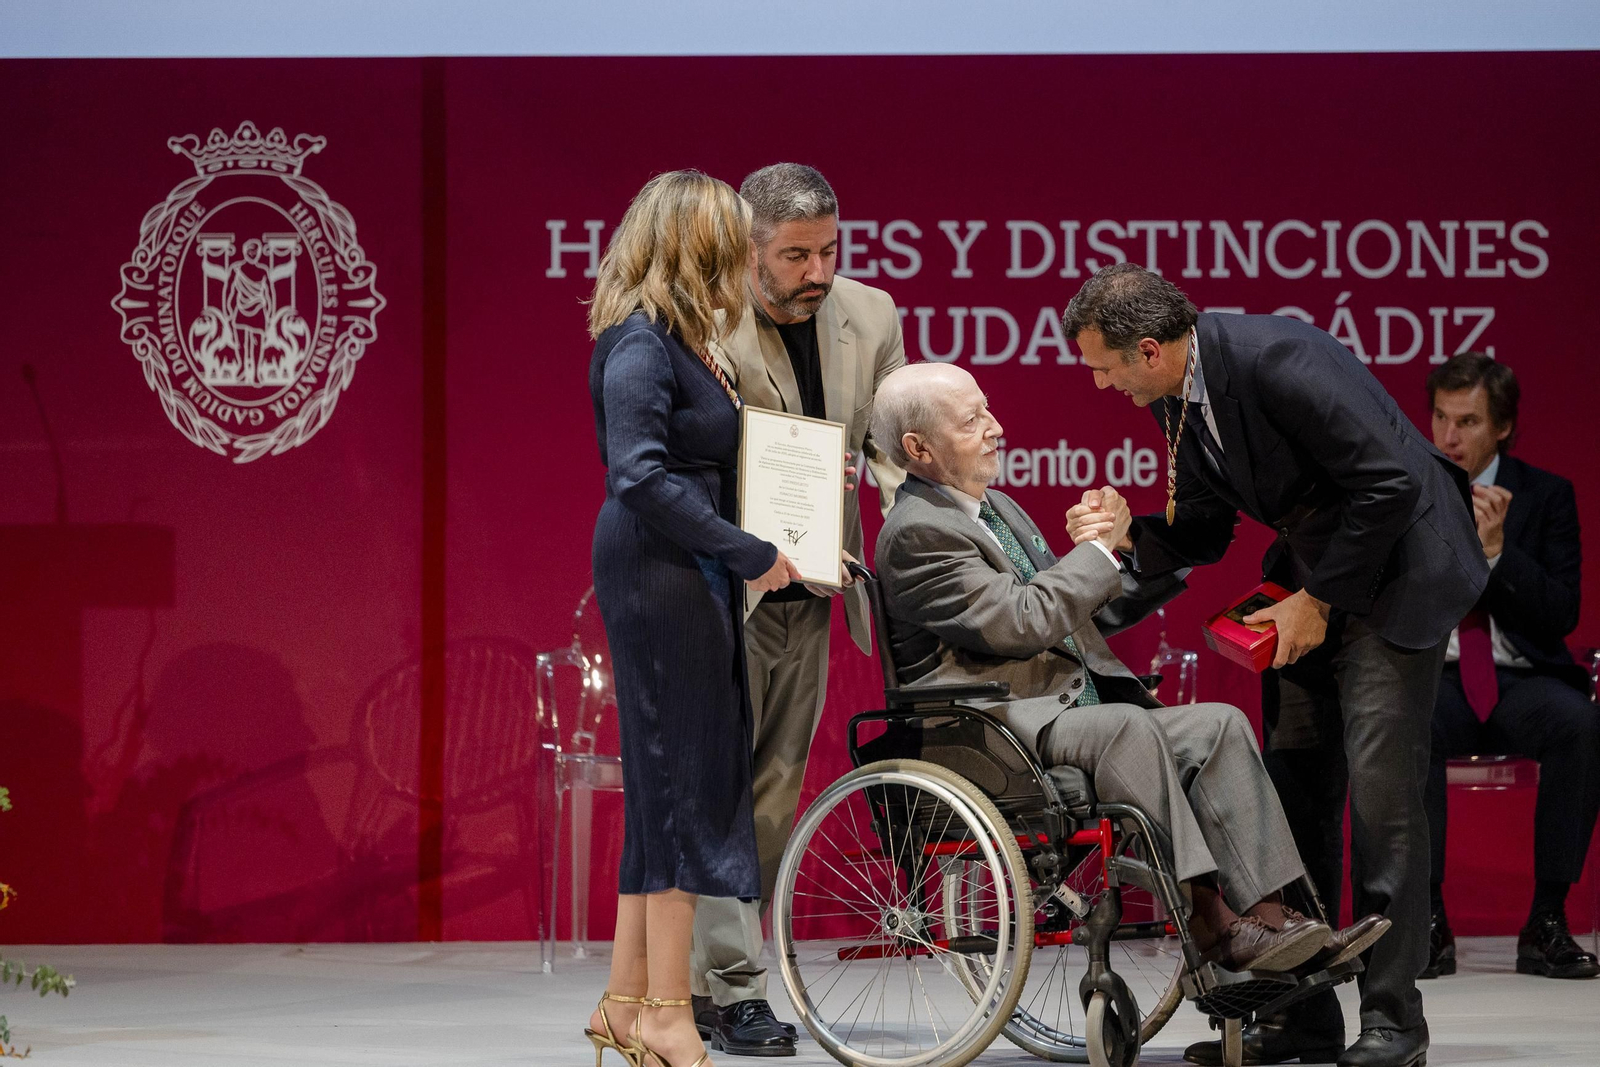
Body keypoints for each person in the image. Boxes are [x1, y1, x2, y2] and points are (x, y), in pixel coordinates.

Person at [1063, 264, 1488, 1067]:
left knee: (1381, 797)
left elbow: (1392, 484)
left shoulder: (1277, 360)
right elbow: (1206, 530)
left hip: (1397, 573)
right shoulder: (1176, 394)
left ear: (1148, 349)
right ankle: (1303, 1014)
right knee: (1294, 793)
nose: (1098, 379)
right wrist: (1122, 540)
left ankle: (1396, 1020)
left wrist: (1317, 603)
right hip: (1315, 573)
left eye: (1103, 363)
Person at [872, 361, 1390, 979]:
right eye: (972, 420)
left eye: (988, 409)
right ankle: (1210, 923)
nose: (996, 427)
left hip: (1057, 715)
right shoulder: (916, 531)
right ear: (918, 448)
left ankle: (1276, 925)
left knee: (1218, 725)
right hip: (989, 729)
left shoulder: (996, 509)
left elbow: (1073, 613)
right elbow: (1020, 621)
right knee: (1128, 726)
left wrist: (1131, 552)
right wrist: (1092, 552)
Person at [586, 170, 801, 1067]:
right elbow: (636, 474)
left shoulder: (676, 339)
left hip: (683, 567)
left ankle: (624, 1004)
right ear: (695, 245)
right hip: (663, 572)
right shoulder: (641, 343)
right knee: (686, 790)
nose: (743, 259)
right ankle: (672, 1012)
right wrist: (753, 550)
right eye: (731, 243)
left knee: (664, 791)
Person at [691, 163, 906, 1057]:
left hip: (816, 590)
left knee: (775, 792)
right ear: (750, 250)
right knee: (718, 789)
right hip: (722, 586)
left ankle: (719, 980)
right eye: (794, 255)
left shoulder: (873, 313)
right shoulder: (706, 316)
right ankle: (729, 987)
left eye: (828, 249)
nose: (817, 271)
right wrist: (760, 548)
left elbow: (894, 447)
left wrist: (914, 535)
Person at [1422, 352, 1599, 980]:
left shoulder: (1547, 495)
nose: (1448, 436)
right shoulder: (1409, 492)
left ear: (1502, 426)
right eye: (1441, 417)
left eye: (1467, 421)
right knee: (1403, 724)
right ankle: (1427, 921)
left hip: (1520, 677)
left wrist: (1496, 554)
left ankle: (1546, 921)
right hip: (1438, 677)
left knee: (1580, 724)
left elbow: (1560, 614)